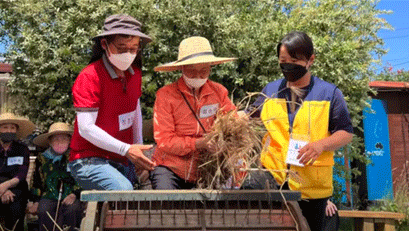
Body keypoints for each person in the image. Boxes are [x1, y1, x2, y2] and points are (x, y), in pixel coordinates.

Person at [242, 31, 353, 230]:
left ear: (311, 60)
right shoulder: (270, 90)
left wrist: (321, 145)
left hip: (311, 187)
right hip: (273, 178)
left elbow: (345, 132)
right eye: (283, 60)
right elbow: (249, 117)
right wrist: (237, 118)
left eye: (295, 60)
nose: (288, 66)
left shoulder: (330, 93)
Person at [68, 14, 156, 190]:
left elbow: (135, 111)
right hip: (88, 160)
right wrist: (126, 149)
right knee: (124, 191)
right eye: (122, 48)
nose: (128, 54)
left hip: (122, 158)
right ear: (104, 44)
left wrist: (138, 150)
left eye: (134, 48)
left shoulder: (135, 74)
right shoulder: (89, 76)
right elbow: (86, 128)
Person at [150, 36, 237, 189]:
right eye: (191, 71)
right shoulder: (166, 95)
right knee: (165, 204)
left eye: (203, 71)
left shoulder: (219, 92)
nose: (198, 76)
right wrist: (198, 144)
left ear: (210, 67)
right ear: (182, 69)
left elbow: (232, 121)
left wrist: (224, 140)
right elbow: (164, 140)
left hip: (206, 169)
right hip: (170, 167)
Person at [28, 122, 83, 231]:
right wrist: (35, 201)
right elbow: (37, 181)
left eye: (64, 139)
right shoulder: (42, 158)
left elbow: (82, 178)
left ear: (69, 141)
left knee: (72, 210)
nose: (60, 142)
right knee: (44, 210)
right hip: (49, 195)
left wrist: (74, 194)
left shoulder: (76, 157)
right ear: (50, 142)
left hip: (71, 195)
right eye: (56, 139)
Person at [0, 113, 34, 230]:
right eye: (5, 127)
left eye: (12, 128)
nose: (9, 130)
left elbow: (21, 174)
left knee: (16, 209)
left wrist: (4, 186)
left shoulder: (22, 149)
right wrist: (2, 190)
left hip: (17, 189)